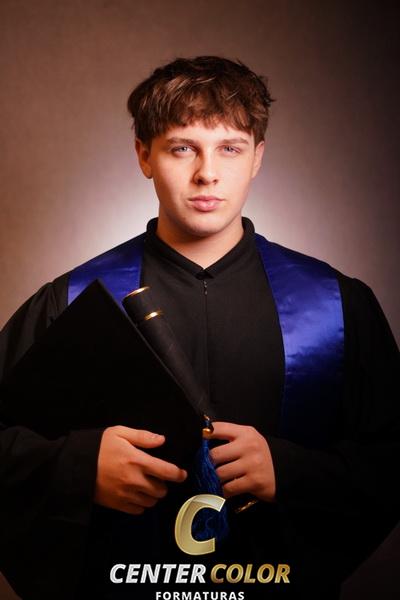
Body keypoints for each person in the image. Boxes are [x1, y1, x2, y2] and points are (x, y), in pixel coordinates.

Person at [0, 56, 399, 600]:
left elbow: (390, 458)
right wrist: (78, 465)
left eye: (230, 148)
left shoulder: (334, 304)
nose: (207, 173)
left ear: (258, 157)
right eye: (182, 148)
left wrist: (290, 471)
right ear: (144, 155)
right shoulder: (70, 301)